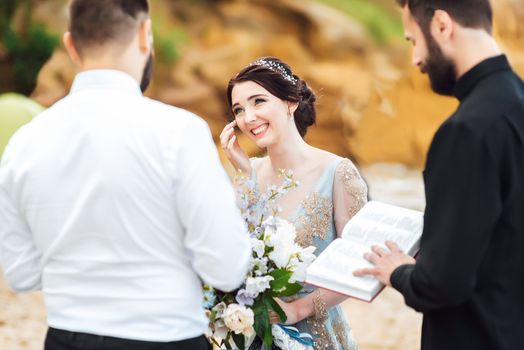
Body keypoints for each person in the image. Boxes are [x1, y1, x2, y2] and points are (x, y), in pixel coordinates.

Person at [0, 1, 251, 350]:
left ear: (71, 45)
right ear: (145, 35)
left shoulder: (23, 143)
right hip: (166, 337)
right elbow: (225, 266)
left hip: (65, 338)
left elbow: (22, 275)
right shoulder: (180, 133)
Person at [353, 1, 524, 349]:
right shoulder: (516, 102)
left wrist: (398, 271)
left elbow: (442, 284)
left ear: (442, 25)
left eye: (413, 41)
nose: (416, 59)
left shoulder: (465, 131)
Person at [220, 57, 368, 350]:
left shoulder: (338, 172)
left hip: (316, 337)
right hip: (253, 337)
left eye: (258, 101)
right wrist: (245, 177)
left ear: (290, 102)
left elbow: (358, 265)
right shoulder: (247, 173)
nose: (248, 117)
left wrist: (299, 308)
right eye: (239, 109)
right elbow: (232, 255)